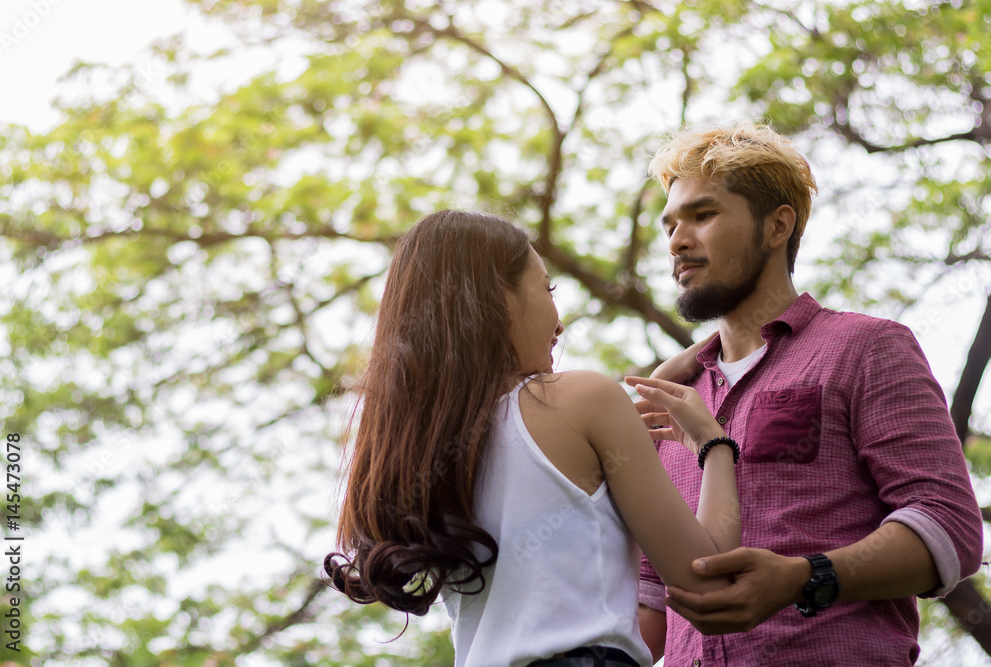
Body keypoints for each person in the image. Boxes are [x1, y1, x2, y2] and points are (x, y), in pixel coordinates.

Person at [630, 123, 984, 666]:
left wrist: (805, 577)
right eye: (671, 224)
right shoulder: (672, 401)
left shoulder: (865, 347)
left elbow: (949, 526)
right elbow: (652, 607)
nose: (677, 240)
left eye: (703, 215)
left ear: (777, 226)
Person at [325, 209, 744, 667]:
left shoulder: (425, 451)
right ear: (496, 298)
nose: (559, 324)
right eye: (547, 289)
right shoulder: (588, 399)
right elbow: (711, 584)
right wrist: (714, 445)